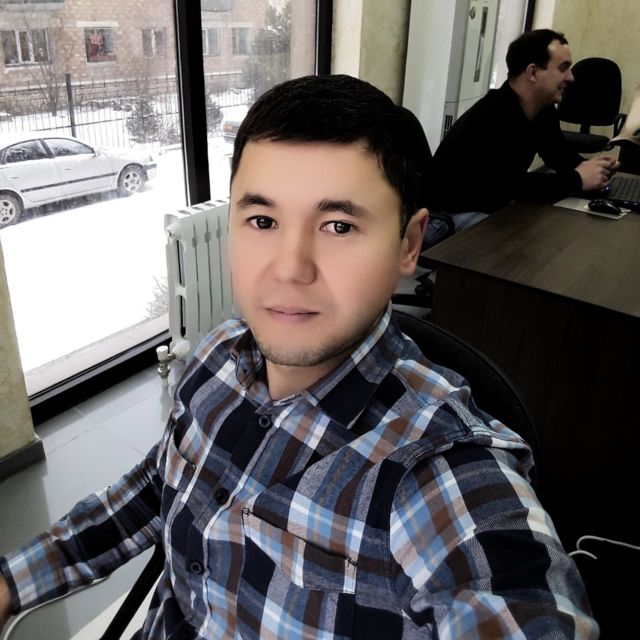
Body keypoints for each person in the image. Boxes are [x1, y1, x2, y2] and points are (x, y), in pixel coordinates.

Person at [0, 75, 598, 639]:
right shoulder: (218, 357)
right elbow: (159, 483)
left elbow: (511, 595)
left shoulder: (436, 474)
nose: (289, 269)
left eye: (337, 226)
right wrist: (10, 584)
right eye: (262, 220)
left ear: (409, 243)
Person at [425, 28, 621, 245]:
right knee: (518, 248)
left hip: (488, 202)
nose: (571, 77)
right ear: (533, 72)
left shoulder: (542, 109)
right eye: (563, 68)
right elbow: (503, 186)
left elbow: (559, 156)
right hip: (447, 214)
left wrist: (595, 169)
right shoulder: (494, 113)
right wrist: (577, 179)